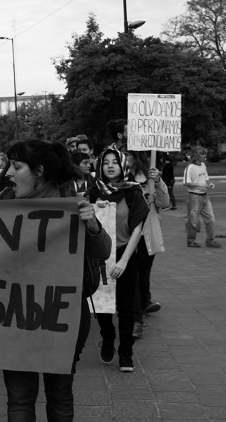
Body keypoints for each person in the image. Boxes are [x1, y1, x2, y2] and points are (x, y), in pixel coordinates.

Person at [0, 140, 111, 421]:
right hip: (14, 314)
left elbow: (103, 252)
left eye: (17, 167)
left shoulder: (70, 202)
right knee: (19, 398)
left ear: (38, 171)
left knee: (60, 396)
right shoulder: (2, 200)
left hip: (61, 315)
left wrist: (92, 225)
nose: (10, 173)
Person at [90, 148, 149, 374]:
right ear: (100, 167)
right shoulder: (94, 193)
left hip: (125, 255)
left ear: (123, 166)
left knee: (126, 307)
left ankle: (126, 352)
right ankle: (107, 337)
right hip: (100, 257)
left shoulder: (133, 192)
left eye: (115, 162)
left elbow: (137, 229)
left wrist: (124, 261)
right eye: (106, 162)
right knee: (102, 307)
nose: (111, 166)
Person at [125, 151, 168, 339]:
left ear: (136, 156)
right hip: (125, 233)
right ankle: (132, 311)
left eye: (127, 154)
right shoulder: (121, 176)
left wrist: (157, 182)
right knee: (128, 273)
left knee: (143, 273)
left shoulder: (151, 177)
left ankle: (140, 312)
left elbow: (164, 202)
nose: (125, 158)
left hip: (146, 233)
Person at [183, 146, 221, 248]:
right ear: (196, 155)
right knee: (193, 221)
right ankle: (191, 241)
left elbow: (206, 179)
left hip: (205, 196)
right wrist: (200, 185)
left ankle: (210, 240)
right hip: (194, 197)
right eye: (202, 154)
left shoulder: (203, 165)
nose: (205, 156)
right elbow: (186, 183)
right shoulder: (190, 168)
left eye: (205, 154)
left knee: (211, 219)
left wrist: (209, 184)